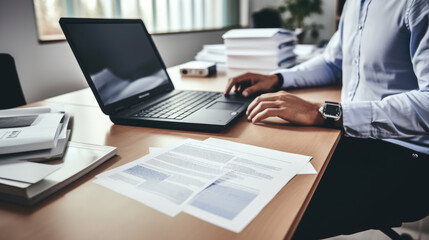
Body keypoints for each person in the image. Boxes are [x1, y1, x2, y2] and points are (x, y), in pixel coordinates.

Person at [225, 0, 429, 239]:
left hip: (407, 157)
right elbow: (332, 63)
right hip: (350, 136)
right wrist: (277, 79)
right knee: (252, 169)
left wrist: (323, 111)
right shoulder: (355, 4)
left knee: (271, 210)